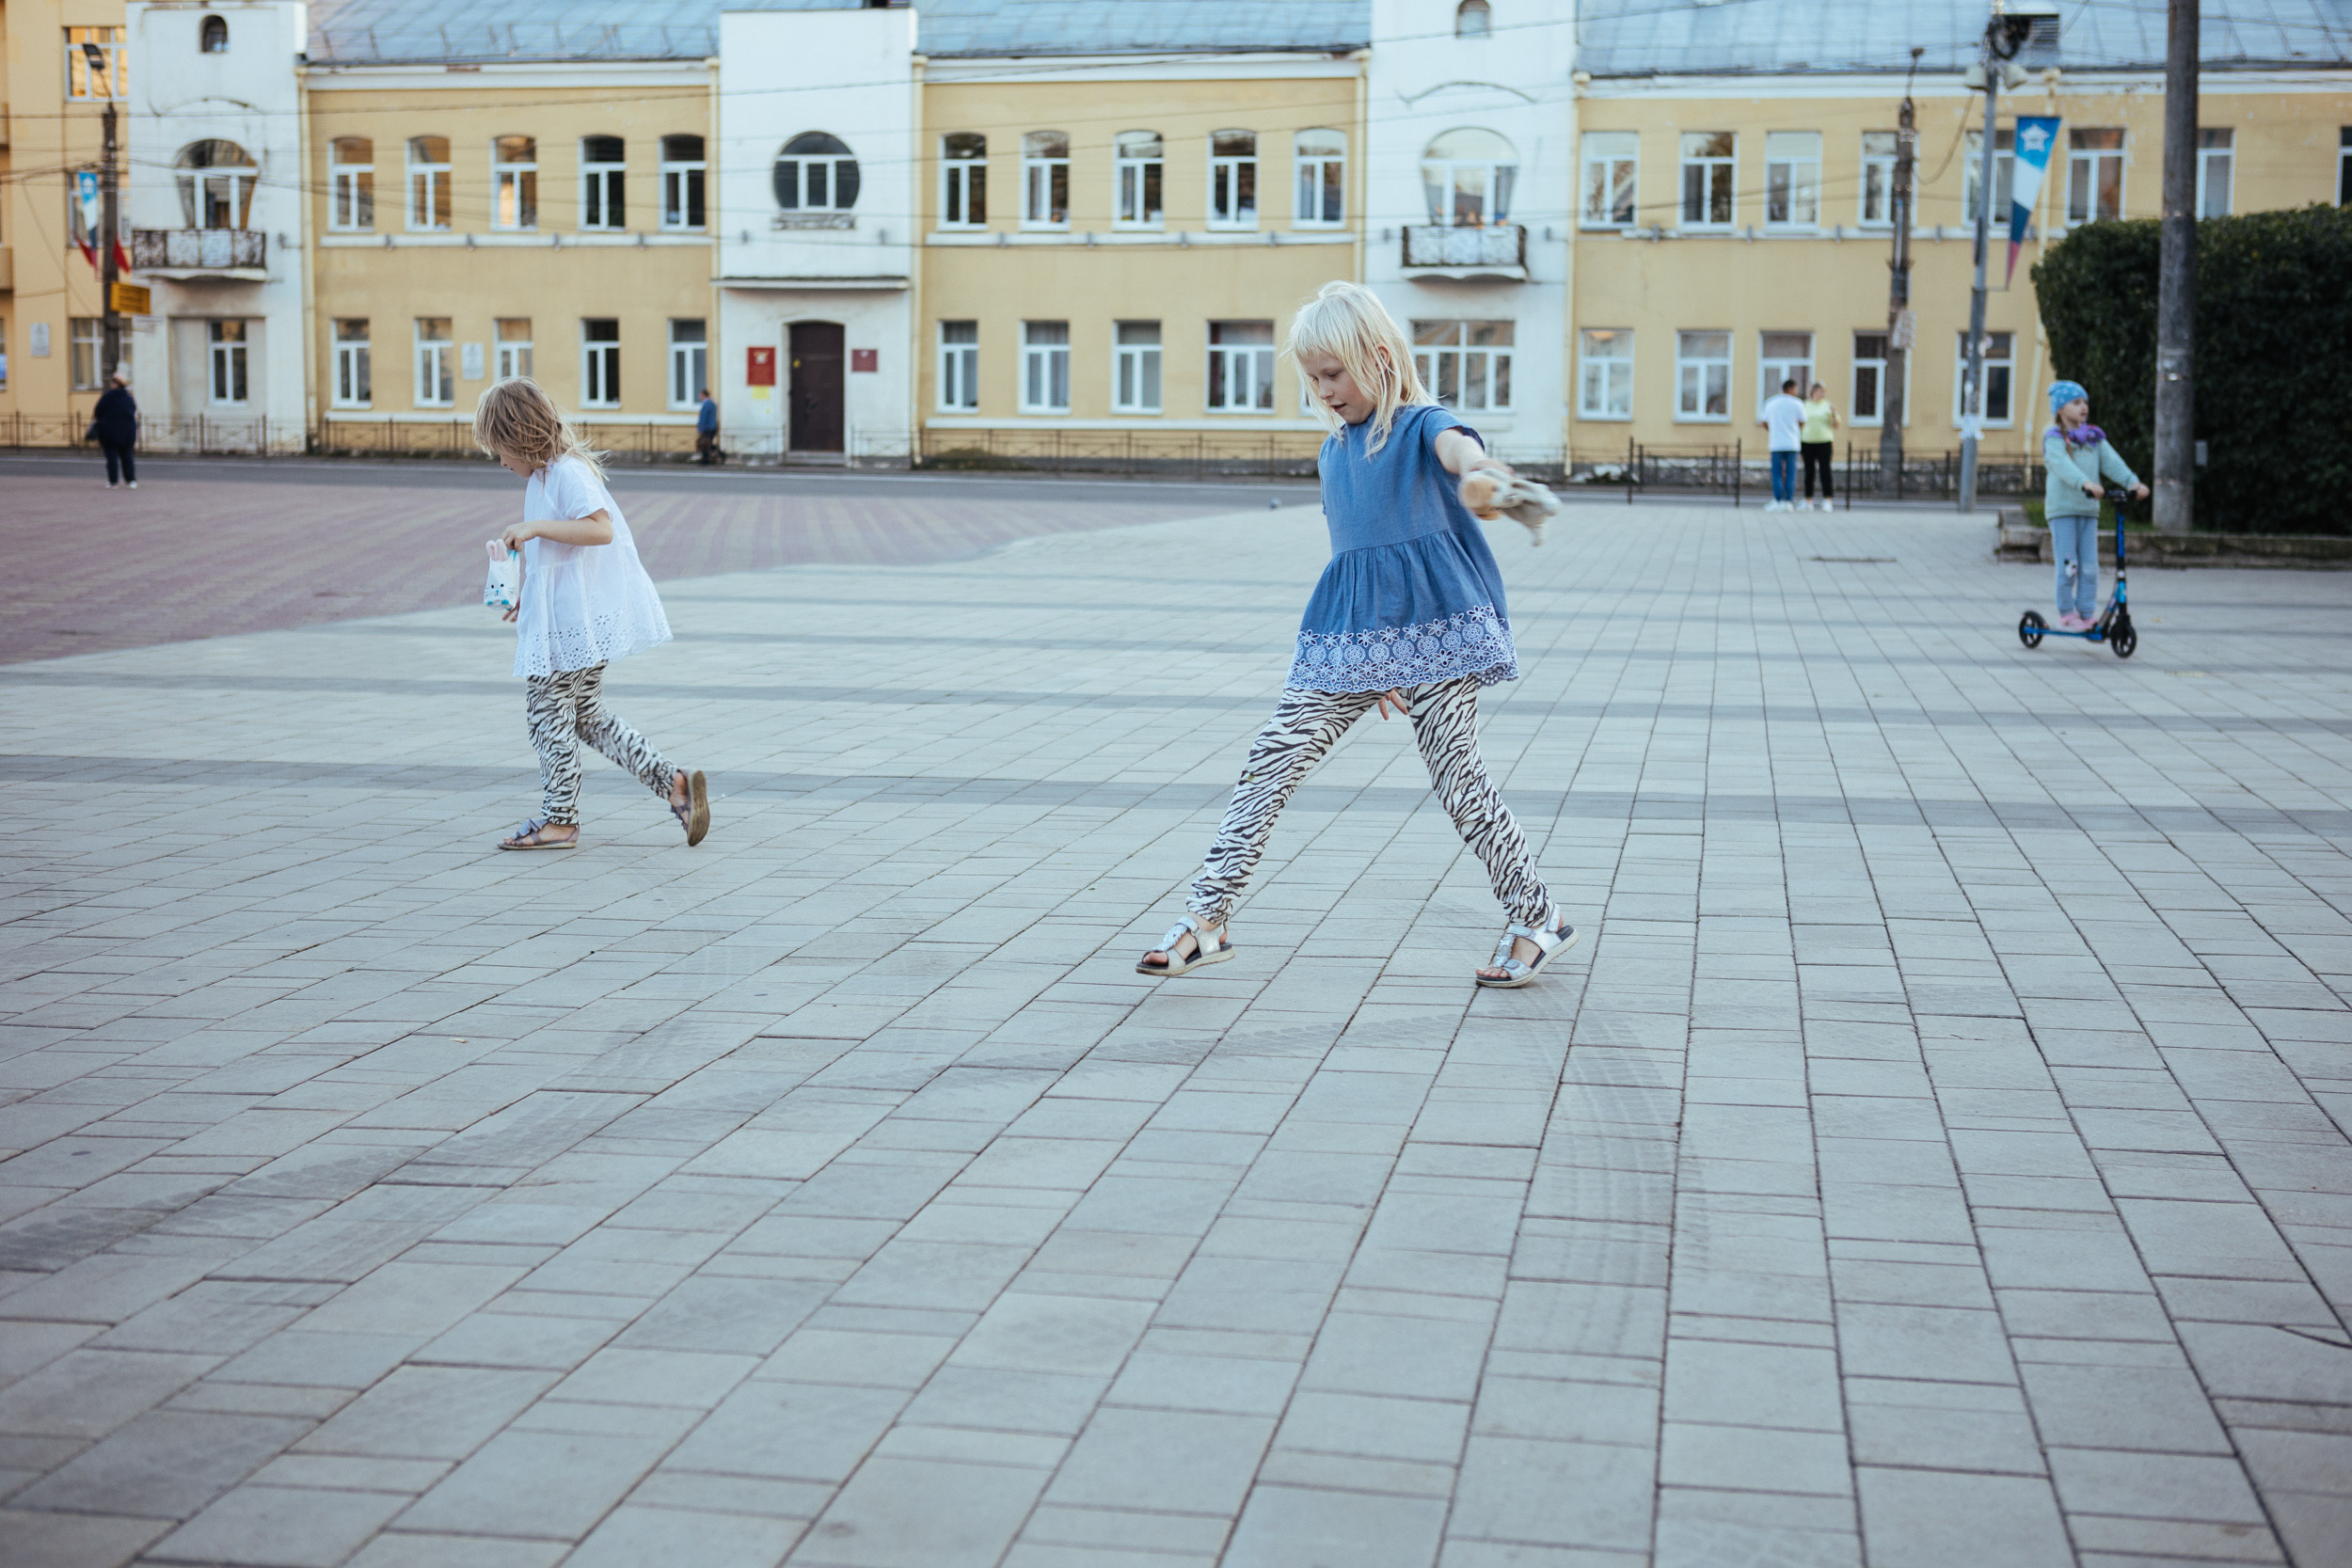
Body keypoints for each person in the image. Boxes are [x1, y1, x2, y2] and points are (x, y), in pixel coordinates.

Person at [1136, 280, 1574, 990]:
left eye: (1334, 373)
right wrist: (1381, 660)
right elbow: (1361, 553)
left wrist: (1489, 478)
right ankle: (1206, 918)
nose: (1324, 389)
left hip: (1441, 631)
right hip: (1357, 637)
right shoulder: (1333, 453)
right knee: (1273, 755)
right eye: (1312, 377)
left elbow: (1461, 451)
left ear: (1376, 355)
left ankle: (1538, 915)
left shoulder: (1421, 424)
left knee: (1457, 778)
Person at [473, 377, 710, 851]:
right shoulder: (544, 476)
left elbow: (599, 531)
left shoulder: (567, 472)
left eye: (501, 449)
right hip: (569, 620)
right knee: (586, 717)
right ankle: (674, 785)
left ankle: (560, 821)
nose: (500, 461)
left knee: (546, 715)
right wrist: (524, 594)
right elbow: (563, 553)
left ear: (521, 436)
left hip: (572, 627)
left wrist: (534, 527)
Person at [2042, 380, 2147, 631]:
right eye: (2076, 402)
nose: (2083, 407)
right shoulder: (2055, 438)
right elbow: (2062, 466)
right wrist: (2085, 483)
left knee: (2089, 567)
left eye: (2085, 402)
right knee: (2070, 567)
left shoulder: (2093, 438)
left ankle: (2087, 614)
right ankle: (2067, 613)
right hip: (2063, 510)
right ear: (2060, 409)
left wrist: (2133, 483)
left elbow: (2112, 463)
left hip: (2088, 511)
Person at [1761, 377, 1804, 512]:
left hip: (1776, 443)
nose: (1796, 392)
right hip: (1792, 443)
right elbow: (1802, 421)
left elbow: (1764, 423)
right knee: (1791, 472)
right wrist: (1793, 431)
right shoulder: (1797, 403)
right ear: (1790, 389)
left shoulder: (1771, 403)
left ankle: (1778, 500)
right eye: (1796, 389)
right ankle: (1788, 501)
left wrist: (1774, 430)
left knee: (1777, 472)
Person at [91, 373, 138, 489]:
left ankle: (113, 482)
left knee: (111, 458)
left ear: (116, 384)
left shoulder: (107, 397)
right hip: (127, 432)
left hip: (109, 432)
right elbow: (133, 410)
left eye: (113, 382)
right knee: (127, 457)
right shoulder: (129, 398)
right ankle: (130, 480)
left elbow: (97, 412)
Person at [1799, 381, 1838, 511]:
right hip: (1807, 441)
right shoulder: (1805, 405)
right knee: (1808, 471)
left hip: (1824, 442)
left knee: (1825, 470)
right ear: (1814, 392)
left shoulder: (1827, 406)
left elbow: (1836, 425)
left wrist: (1833, 414)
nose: (1824, 394)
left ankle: (1828, 499)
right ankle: (1808, 500)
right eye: (1822, 391)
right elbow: (1800, 423)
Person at [694, 388, 722, 465]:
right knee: (708, 443)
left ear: (703, 395)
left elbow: (704, 417)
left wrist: (700, 427)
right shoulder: (713, 404)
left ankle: (705, 460)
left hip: (707, 428)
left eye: (700, 395)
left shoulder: (706, 404)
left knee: (704, 444)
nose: (699, 396)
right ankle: (720, 453)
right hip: (713, 427)